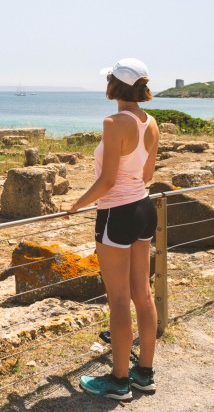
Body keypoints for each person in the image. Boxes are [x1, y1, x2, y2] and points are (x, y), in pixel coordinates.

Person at [61, 58, 160, 401]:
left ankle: (118, 381)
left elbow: (107, 180)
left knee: (118, 300)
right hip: (144, 209)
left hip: (117, 213)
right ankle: (143, 373)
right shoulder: (151, 121)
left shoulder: (113, 121)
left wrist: (75, 205)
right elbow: (146, 176)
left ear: (114, 86)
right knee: (143, 294)